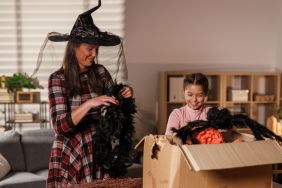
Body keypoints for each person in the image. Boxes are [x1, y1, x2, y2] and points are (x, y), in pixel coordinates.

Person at [43, 1, 133, 187]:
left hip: (101, 147)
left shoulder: (100, 72)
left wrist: (125, 95)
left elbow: (117, 109)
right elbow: (60, 126)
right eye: (89, 49)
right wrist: (89, 104)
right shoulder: (57, 79)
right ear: (74, 47)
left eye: (97, 49)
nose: (94, 54)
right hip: (72, 149)